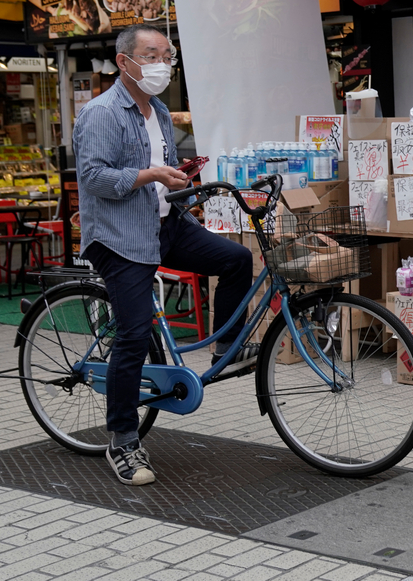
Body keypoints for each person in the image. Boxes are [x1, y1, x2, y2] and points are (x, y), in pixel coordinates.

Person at [74, 25, 256, 486]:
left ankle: (224, 345)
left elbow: (161, 176)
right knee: (134, 335)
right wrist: (148, 173)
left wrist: (177, 179)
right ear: (125, 62)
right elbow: (94, 177)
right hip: (120, 236)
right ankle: (122, 439)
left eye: (166, 55)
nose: (162, 64)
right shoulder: (100, 113)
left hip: (167, 225)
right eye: (151, 55)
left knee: (236, 260)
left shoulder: (156, 109)